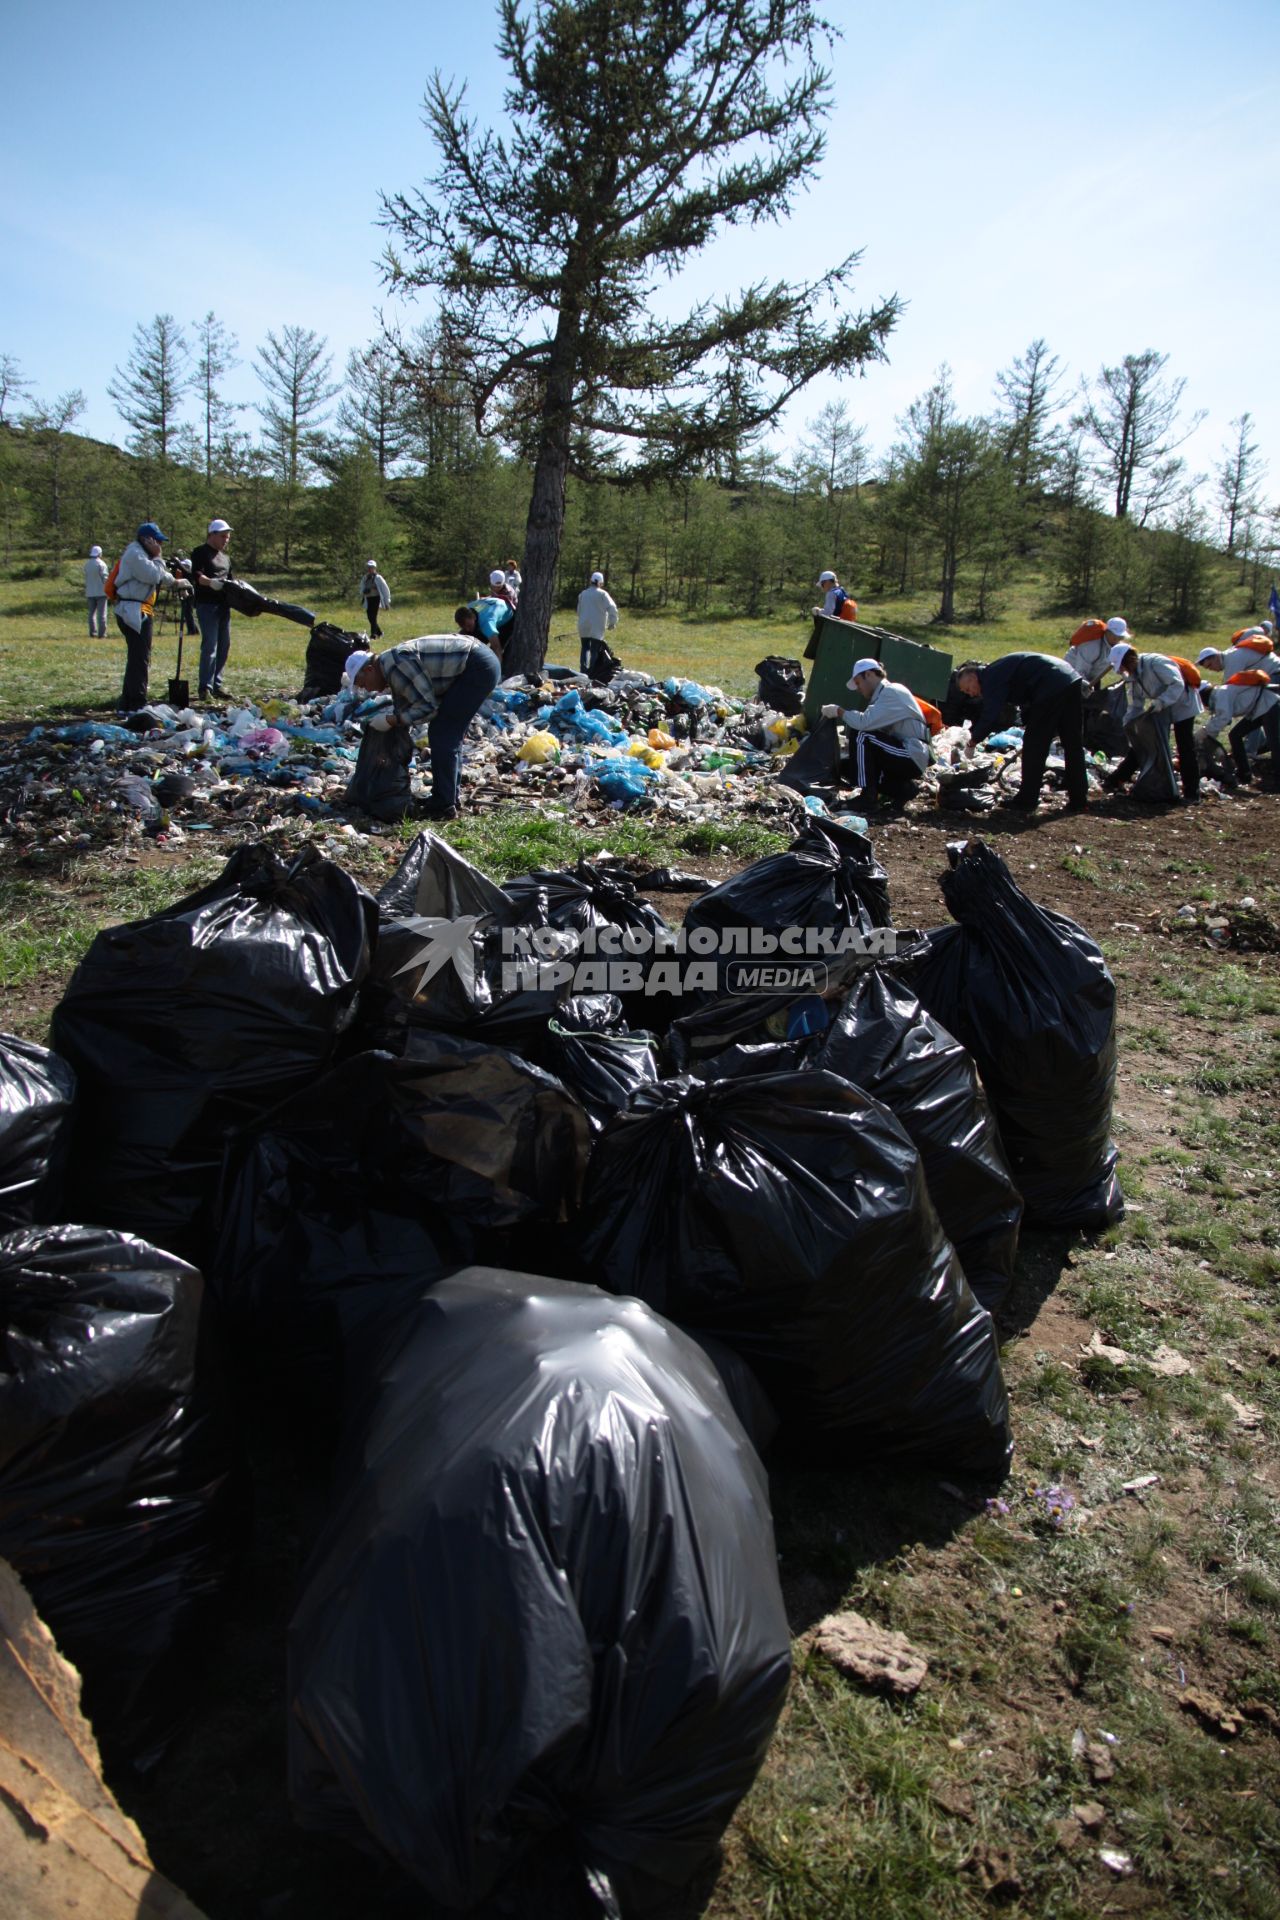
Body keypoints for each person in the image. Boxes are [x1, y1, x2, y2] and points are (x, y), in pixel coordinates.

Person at [344, 633, 502, 821]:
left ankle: (444, 805)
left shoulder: (396, 665)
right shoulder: (389, 666)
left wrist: (392, 721)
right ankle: (448, 798)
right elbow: (408, 705)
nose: (368, 690)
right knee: (447, 733)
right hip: (473, 661)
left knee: (443, 733)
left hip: (477, 665)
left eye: (363, 684)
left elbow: (428, 709)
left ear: (370, 670)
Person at [956, 654, 1089, 812]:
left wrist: (973, 741)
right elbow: (1024, 696)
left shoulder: (990, 677)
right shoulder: (998, 670)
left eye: (967, 688)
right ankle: (1079, 799)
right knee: (1072, 743)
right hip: (1069, 678)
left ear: (973, 676)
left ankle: (1027, 800)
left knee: (1034, 746)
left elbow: (990, 715)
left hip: (1050, 684)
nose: (970, 694)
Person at [821, 658, 930, 806]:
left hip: (911, 752)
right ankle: (904, 790)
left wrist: (838, 711)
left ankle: (868, 797)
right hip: (907, 753)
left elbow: (863, 723)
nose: (858, 689)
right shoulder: (882, 697)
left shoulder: (891, 691)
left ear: (869, 674)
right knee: (848, 765)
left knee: (861, 734)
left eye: (858, 683)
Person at [1101, 644, 1199, 803]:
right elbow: (1136, 703)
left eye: (1124, 666)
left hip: (1183, 705)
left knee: (1185, 746)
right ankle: (1117, 779)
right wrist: (1129, 722)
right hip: (1162, 708)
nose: (1123, 670)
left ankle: (1192, 793)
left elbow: (1177, 684)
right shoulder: (1133, 676)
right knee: (1144, 742)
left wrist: (1162, 701)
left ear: (1130, 660)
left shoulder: (1156, 663)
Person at [111, 522, 191, 713]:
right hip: (132, 609)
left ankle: (127, 702)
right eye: (157, 542)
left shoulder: (139, 553)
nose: (159, 546)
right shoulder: (135, 553)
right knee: (140, 658)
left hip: (137, 608)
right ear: (147, 539)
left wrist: (173, 581)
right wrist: (158, 558)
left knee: (137, 657)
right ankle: (137, 702)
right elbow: (153, 575)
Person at [1203, 678, 1280, 789]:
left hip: (1268, 706)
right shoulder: (1220, 694)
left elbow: (1224, 718)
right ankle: (1244, 773)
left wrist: (1207, 733)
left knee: (1274, 744)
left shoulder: (1221, 695)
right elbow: (1222, 717)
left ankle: (1278, 781)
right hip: (1258, 709)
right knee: (1235, 735)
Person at [189, 517, 234, 698]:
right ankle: (205, 687)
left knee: (224, 645)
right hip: (207, 604)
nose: (226, 540)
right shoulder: (200, 552)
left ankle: (217, 684)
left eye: (227, 537)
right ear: (212, 535)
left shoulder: (226, 558)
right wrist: (210, 583)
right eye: (223, 536)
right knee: (210, 645)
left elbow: (231, 579)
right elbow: (197, 575)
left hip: (224, 605)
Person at [576, 570, 619, 676]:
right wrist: (612, 622)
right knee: (594, 650)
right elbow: (612, 607)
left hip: (583, 625)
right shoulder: (603, 594)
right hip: (597, 626)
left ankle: (583, 671)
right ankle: (591, 672)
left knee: (585, 648)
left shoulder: (583, 594)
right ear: (600, 582)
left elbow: (578, 610)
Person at [359, 561, 391, 639]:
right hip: (368, 599)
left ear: (374, 568)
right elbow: (361, 587)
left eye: (371, 567)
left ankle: (374, 635)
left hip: (376, 598)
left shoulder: (378, 578)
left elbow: (385, 589)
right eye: (369, 567)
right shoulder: (365, 577)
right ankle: (379, 632)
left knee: (373, 616)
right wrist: (364, 591)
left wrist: (387, 601)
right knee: (370, 617)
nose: (370, 569)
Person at [84, 545, 109, 637]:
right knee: (102, 614)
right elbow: (105, 578)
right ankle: (102, 634)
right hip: (101, 592)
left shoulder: (87, 564)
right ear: (99, 553)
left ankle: (92, 632)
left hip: (90, 592)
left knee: (91, 614)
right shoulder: (101, 564)